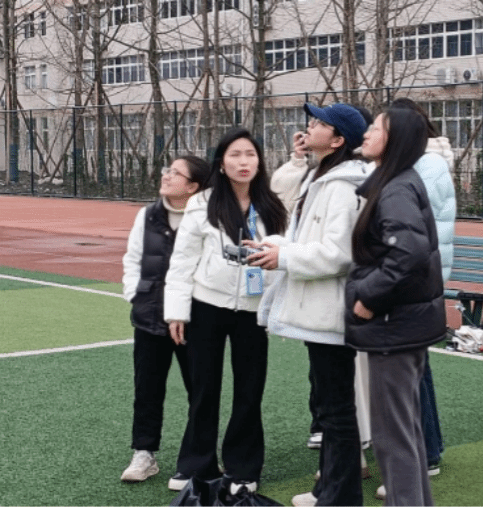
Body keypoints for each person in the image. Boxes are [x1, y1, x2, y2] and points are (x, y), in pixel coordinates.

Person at [248, 102, 369, 507]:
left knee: (336, 409)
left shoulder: (343, 185)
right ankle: (329, 491)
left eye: (320, 123)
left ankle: (341, 497)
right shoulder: (322, 177)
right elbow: (307, 240)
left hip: (330, 311)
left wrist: (283, 257)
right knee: (331, 408)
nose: (309, 126)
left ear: (337, 140)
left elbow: (339, 254)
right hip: (319, 310)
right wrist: (275, 246)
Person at [163, 128, 287, 493]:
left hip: (253, 311)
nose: (243, 162)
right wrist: (176, 312)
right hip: (207, 306)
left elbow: (285, 254)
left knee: (250, 389)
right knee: (204, 387)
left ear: (259, 161)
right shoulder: (202, 203)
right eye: (235, 155)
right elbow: (182, 260)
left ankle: (243, 467)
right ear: (221, 163)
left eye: (250, 154)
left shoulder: (272, 205)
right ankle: (196, 464)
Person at [345, 107, 448, 506]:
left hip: (393, 324)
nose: (367, 133)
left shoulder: (396, 188)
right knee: (403, 431)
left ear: (396, 140)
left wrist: (369, 297)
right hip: (402, 323)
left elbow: (409, 253)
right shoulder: (393, 182)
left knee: (392, 435)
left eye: (376, 127)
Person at [120, 155, 211, 482]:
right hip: (150, 316)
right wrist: (135, 294)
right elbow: (133, 259)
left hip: (194, 320)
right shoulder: (148, 215)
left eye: (175, 173)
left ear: (193, 186)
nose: (166, 175)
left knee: (200, 390)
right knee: (147, 388)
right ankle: (144, 453)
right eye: (167, 170)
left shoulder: (208, 218)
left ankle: (199, 456)